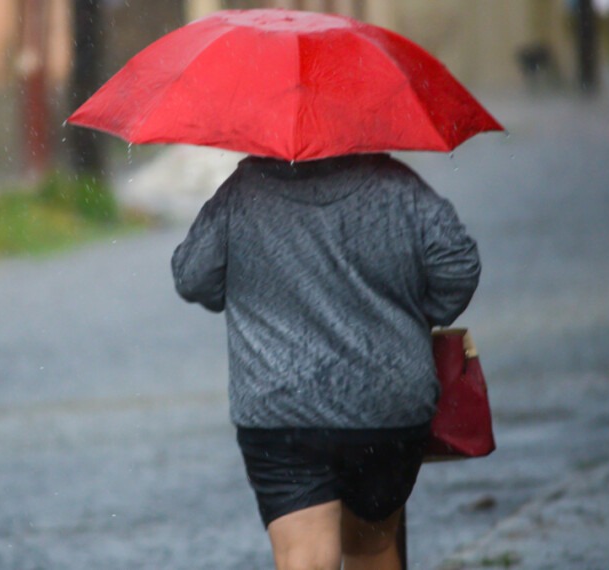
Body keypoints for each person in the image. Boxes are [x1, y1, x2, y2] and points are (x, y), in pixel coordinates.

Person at [171, 153, 480, 570]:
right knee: (371, 549)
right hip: (386, 404)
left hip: (282, 407)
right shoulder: (400, 186)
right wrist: (415, 317)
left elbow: (193, 276)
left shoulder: (243, 192)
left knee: (305, 556)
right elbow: (458, 266)